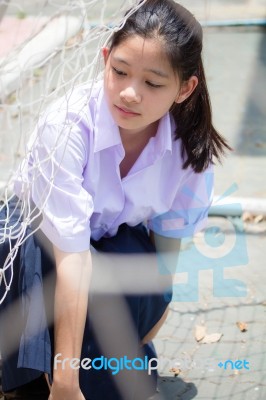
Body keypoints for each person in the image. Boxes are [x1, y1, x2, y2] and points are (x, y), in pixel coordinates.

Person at [0, 0, 231, 399]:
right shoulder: (67, 125)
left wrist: (148, 316)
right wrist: (68, 383)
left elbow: (164, 254)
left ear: (185, 88)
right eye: (119, 71)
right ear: (104, 58)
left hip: (105, 248)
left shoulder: (190, 149)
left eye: (153, 83)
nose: (129, 93)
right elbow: (71, 256)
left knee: (127, 280)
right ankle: (29, 378)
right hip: (36, 243)